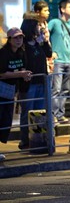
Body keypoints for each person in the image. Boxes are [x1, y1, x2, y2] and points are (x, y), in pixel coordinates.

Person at [17, 13, 52, 150]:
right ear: (31, 26)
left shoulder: (38, 42)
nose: (40, 27)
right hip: (29, 83)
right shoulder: (23, 45)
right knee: (27, 112)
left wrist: (45, 41)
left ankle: (38, 140)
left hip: (41, 81)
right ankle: (25, 140)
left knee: (39, 112)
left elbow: (48, 53)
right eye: (38, 25)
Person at [0, 28, 32, 161]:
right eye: (16, 38)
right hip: (2, 90)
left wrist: (25, 75)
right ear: (9, 39)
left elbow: (22, 68)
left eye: (21, 38)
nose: (19, 40)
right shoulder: (3, 53)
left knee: (6, 121)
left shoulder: (21, 52)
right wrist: (20, 74)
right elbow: (2, 73)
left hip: (11, 90)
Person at [48, 0, 70, 124]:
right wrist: (50, 53)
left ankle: (60, 114)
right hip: (58, 61)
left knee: (65, 89)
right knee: (55, 89)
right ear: (62, 9)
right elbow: (45, 36)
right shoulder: (54, 22)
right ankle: (53, 114)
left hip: (69, 61)